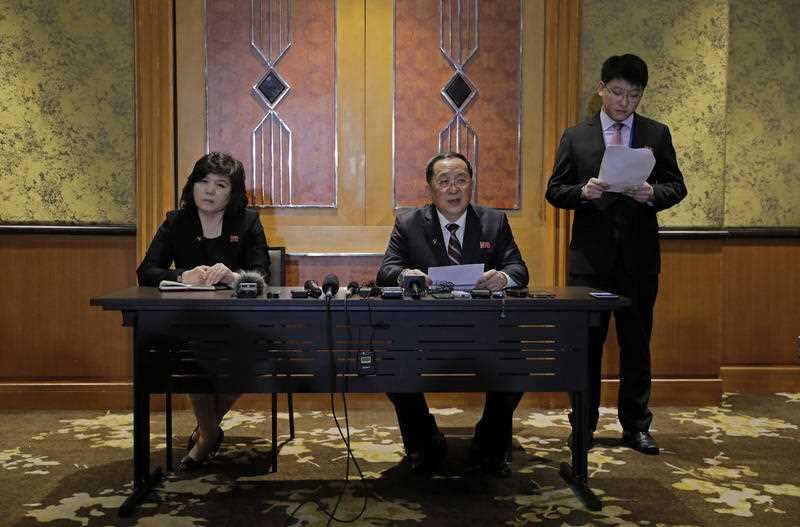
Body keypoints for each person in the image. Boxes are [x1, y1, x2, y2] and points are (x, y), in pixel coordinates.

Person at [545, 54, 687, 455]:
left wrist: (652, 194)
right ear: (601, 89)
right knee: (587, 347)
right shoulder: (577, 136)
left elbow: (677, 185)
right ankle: (583, 425)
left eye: (634, 95)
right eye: (618, 93)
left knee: (637, 344)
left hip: (639, 260)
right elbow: (555, 191)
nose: (625, 102)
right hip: (590, 261)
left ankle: (636, 426)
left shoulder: (656, 134)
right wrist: (583, 193)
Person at [377, 151, 529, 476]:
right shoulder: (409, 222)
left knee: (518, 361)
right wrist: (405, 276)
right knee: (391, 361)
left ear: (471, 184)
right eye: (443, 181)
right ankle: (424, 441)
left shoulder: (493, 221)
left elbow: (518, 268)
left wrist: (502, 277)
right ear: (430, 189)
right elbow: (386, 270)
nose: (453, 188)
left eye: (461, 180)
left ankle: (489, 442)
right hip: (424, 330)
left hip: (483, 330)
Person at [137, 152, 270, 470]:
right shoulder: (176, 222)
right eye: (203, 182)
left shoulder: (248, 222)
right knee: (192, 355)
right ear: (192, 186)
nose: (209, 191)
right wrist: (182, 275)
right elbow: (146, 272)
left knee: (253, 357)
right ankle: (210, 433)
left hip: (239, 324)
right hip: (191, 322)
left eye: (220, 184)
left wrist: (233, 277)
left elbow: (264, 278)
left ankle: (207, 431)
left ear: (233, 191)